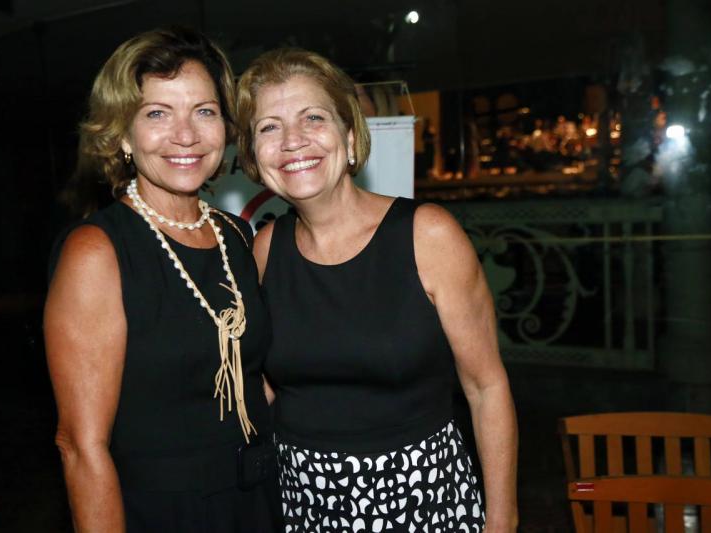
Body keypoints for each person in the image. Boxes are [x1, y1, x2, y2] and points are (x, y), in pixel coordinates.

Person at [236, 48, 518, 532]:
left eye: (313, 118)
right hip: (303, 504)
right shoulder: (264, 248)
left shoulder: (427, 235)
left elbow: (486, 387)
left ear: (349, 138)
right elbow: (262, 386)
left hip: (423, 501)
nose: (292, 141)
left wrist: (502, 520)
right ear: (254, 156)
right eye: (269, 127)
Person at [44, 27, 281, 532]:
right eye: (157, 113)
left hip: (259, 501)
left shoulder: (236, 235)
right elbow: (81, 446)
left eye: (204, 111)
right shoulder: (97, 252)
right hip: (164, 513)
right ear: (123, 134)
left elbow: (252, 380)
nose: (186, 135)